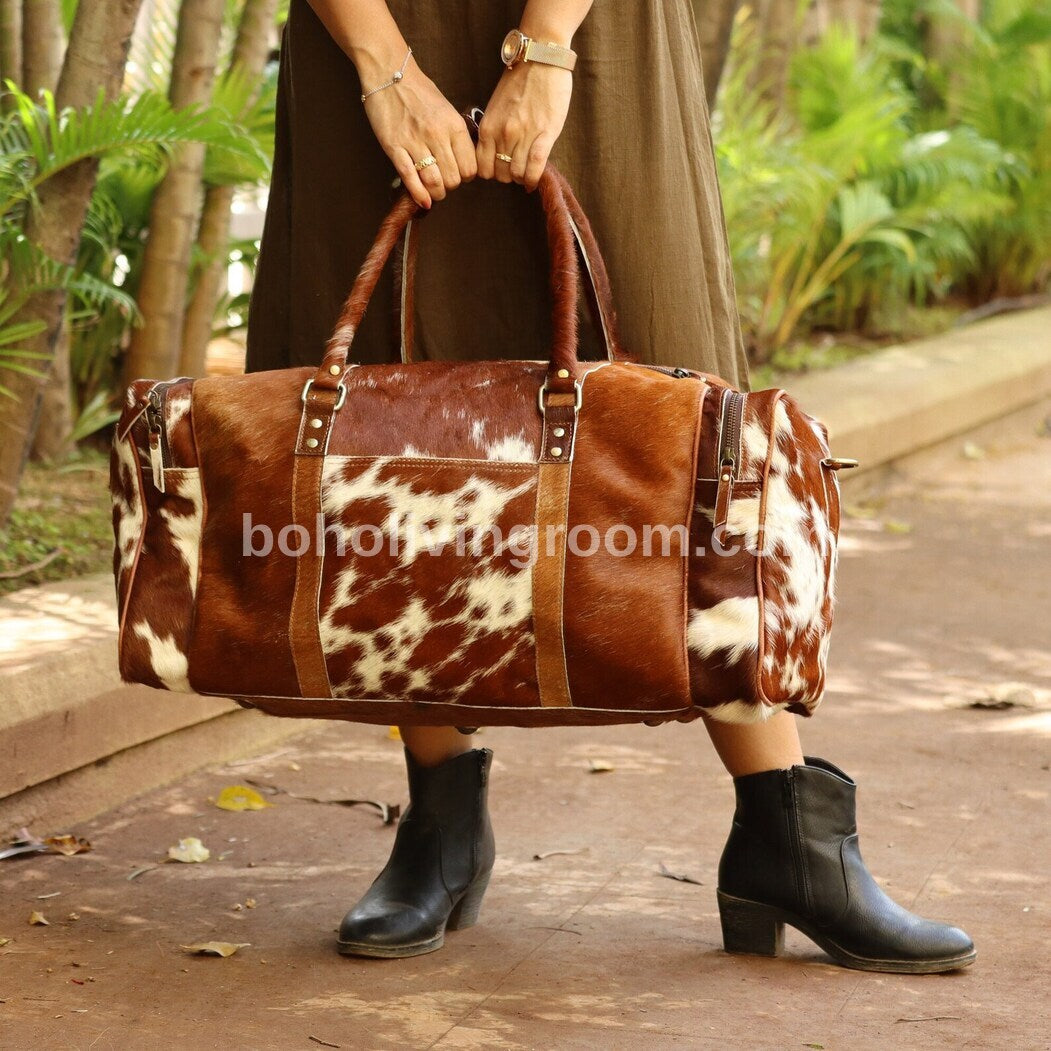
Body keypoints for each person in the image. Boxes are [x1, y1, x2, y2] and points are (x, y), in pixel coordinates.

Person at [245, 0, 976, 973]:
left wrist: (547, 45)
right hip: (368, 31)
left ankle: (785, 834)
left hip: (598, 35)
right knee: (388, 413)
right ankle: (440, 821)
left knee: (674, 416)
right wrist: (379, 61)